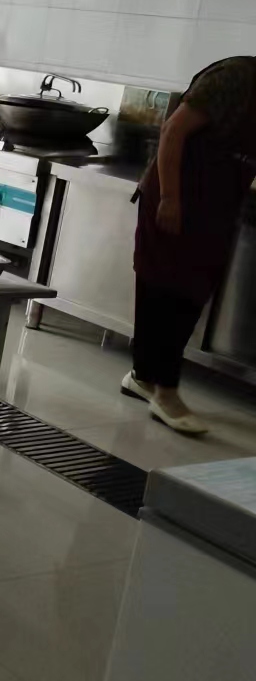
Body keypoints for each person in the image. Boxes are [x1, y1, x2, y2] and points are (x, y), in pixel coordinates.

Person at [126, 56, 256, 435]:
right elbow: (173, 131)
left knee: (192, 290)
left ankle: (143, 377)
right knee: (166, 289)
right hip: (176, 194)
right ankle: (166, 392)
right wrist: (170, 198)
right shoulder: (234, 78)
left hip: (218, 204)